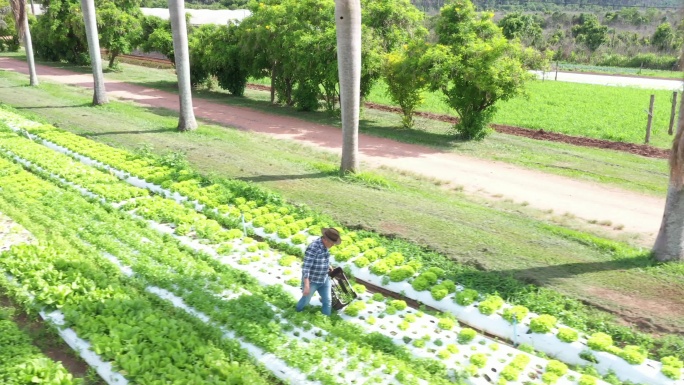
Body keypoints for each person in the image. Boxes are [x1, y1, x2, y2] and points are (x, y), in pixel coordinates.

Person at [295, 227, 341, 316]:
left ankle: (325, 321)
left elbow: (322, 258)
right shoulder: (313, 248)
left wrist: (328, 265)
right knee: (305, 300)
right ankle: (296, 314)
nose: (333, 245)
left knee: (327, 301)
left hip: (324, 278)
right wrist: (307, 285)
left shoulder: (325, 246)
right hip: (312, 281)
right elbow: (306, 268)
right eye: (332, 243)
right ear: (326, 240)